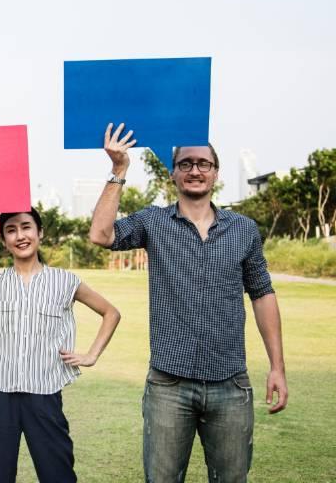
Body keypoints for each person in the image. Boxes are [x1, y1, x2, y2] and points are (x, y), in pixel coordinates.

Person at [88, 123, 288, 481]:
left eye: (203, 163)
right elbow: (100, 234)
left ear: (215, 173)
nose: (195, 170)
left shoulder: (244, 230)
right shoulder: (153, 221)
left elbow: (262, 295)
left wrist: (277, 366)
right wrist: (119, 169)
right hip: (168, 385)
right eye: (186, 164)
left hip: (230, 384)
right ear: (173, 173)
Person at [0, 204, 121, 483]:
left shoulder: (65, 281)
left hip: (44, 397)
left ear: (39, 232)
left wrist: (92, 354)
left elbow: (111, 313)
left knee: (58, 475)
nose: (20, 235)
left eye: (26, 227)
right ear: (3, 240)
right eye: (11, 230)